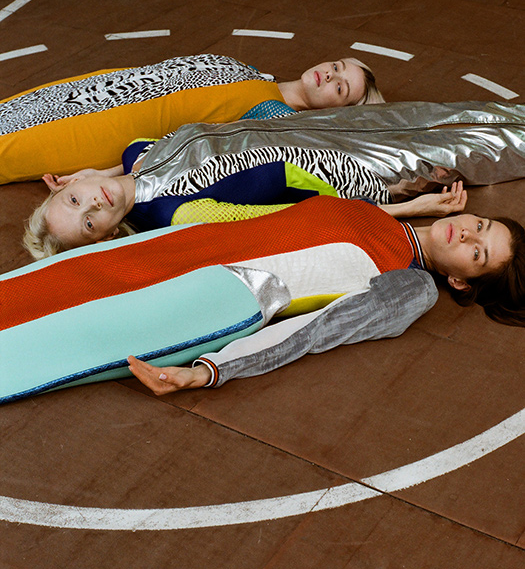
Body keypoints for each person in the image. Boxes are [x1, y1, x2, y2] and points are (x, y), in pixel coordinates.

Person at [121, 195, 525, 396]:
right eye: (481, 225)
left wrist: (211, 370)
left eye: (477, 253)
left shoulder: (412, 287)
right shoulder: (380, 216)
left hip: (188, 288)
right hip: (172, 244)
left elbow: (314, 330)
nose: (467, 233)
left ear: (460, 282)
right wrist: (412, 205)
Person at [23, 138, 468, 258]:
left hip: (285, 132)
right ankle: (406, 187)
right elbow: (301, 215)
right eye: (88, 222)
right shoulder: (180, 214)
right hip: (330, 174)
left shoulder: (131, 157)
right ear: (107, 235)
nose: (93, 204)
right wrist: (408, 209)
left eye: (74, 200)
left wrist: (98, 174)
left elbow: (146, 162)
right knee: (454, 154)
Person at [0, 53, 383, 184]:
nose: (329, 75)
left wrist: (109, 174)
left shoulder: (273, 118)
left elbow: (189, 150)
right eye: (337, 66)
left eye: (340, 88)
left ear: (336, 111)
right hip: (98, 89)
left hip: (101, 127)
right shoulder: (252, 73)